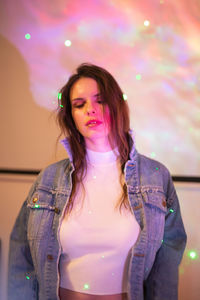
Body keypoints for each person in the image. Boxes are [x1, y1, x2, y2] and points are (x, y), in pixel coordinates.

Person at [8, 63, 187, 300]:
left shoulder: (156, 176)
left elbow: (165, 267)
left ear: (117, 105)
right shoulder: (49, 180)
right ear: (71, 116)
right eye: (79, 105)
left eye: (100, 100)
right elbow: (22, 261)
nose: (90, 110)